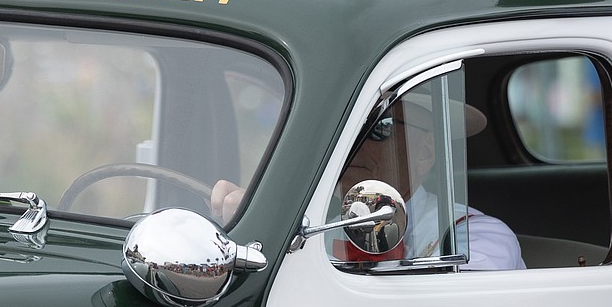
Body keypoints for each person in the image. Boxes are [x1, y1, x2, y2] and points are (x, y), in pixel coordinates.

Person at [210, 95, 525, 271]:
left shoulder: (476, 236)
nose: (350, 147)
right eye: (346, 133)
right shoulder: (317, 234)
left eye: (378, 128)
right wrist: (258, 229)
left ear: (425, 151)